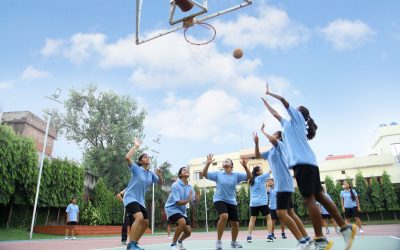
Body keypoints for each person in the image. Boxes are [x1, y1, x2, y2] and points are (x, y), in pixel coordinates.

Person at [262, 84, 357, 250]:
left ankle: (320, 238)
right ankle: (345, 227)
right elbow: (277, 114)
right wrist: (266, 104)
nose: (293, 110)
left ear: (300, 113)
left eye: (296, 109)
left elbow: (284, 102)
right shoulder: (288, 125)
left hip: (303, 164)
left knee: (310, 199)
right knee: (319, 196)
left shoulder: (298, 119)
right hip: (308, 162)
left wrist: (270, 93)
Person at [258, 124, 312, 249]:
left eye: (274, 134)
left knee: (281, 213)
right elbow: (258, 155)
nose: (272, 136)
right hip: (284, 184)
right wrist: (256, 143)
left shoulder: (280, 146)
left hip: (283, 185)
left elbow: (272, 140)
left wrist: (263, 131)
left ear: (279, 138)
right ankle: (307, 238)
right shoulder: (270, 152)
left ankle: (302, 241)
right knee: (291, 213)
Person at [202, 154, 251, 250]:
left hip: (231, 201)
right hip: (219, 199)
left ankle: (233, 242)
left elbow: (249, 177)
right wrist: (208, 164)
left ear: (231, 166)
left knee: (235, 224)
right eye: (224, 161)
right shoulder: (218, 174)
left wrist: (245, 165)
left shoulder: (236, 175)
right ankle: (219, 241)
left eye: (227, 161)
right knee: (224, 216)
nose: (225, 162)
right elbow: (204, 174)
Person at [124, 138, 163, 250]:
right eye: (145, 157)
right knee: (139, 217)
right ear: (140, 161)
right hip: (130, 197)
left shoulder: (150, 173)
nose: (148, 158)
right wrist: (136, 146)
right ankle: (130, 244)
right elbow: (127, 157)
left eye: (148, 157)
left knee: (146, 223)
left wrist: (159, 174)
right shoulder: (136, 169)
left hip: (140, 200)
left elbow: (160, 182)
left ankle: (135, 243)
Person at [164, 166, 195, 250]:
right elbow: (177, 202)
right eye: (184, 170)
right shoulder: (175, 185)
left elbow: (193, 200)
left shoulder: (190, 187)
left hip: (181, 210)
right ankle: (173, 245)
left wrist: (195, 200)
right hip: (171, 208)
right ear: (180, 174)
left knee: (188, 232)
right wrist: (188, 200)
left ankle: (179, 241)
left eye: (187, 170)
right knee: (182, 222)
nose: (186, 171)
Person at [246, 147, 272, 243]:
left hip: (253, 203)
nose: (262, 170)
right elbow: (270, 170)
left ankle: (249, 236)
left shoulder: (251, 180)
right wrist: (272, 160)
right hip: (262, 202)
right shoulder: (261, 178)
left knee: (252, 220)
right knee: (268, 217)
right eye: (260, 169)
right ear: (257, 172)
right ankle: (269, 235)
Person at [266, 174, 287, 242]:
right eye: (269, 181)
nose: (270, 182)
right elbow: (268, 192)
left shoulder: (277, 188)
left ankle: (283, 233)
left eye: (271, 181)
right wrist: (268, 185)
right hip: (272, 208)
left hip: (279, 207)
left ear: (274, 182)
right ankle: (272, 233)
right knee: (273, 221)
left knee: (282, 221)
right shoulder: (268, 188)